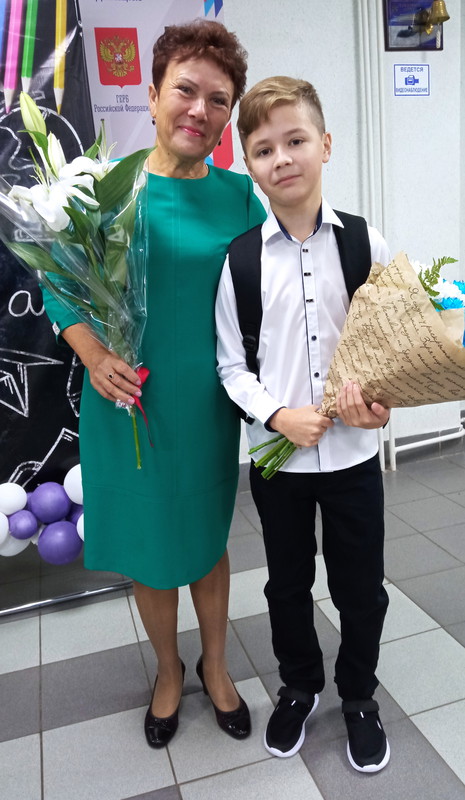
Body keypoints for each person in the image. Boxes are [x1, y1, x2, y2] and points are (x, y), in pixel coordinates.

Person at [41, 20, 265, 748]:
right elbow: (58, 285)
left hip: (205, 404)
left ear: (228, 115)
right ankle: (169, 671)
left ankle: (216, 666)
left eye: (218, 100)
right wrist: (90, 353)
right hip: (126, 400)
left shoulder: (240, 197)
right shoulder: (107, 188)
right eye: (185, 91)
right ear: (152, 93)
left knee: (204, 538)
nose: (200, 110)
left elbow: (269, 295)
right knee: (149, 546)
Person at [215, 76, 391, 773]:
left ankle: (358, 697)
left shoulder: (367, 244)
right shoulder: (240, 261)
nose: (282, 158)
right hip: (277, 462)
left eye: (295, 141)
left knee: (360, 589)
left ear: (325, 144)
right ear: (248, 163)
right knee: (286, 585)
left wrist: (380, 401)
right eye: (264, 149)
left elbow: (394, 349)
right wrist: (277, 414)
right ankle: (299, 685)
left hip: (353, 458)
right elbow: (230, 366)